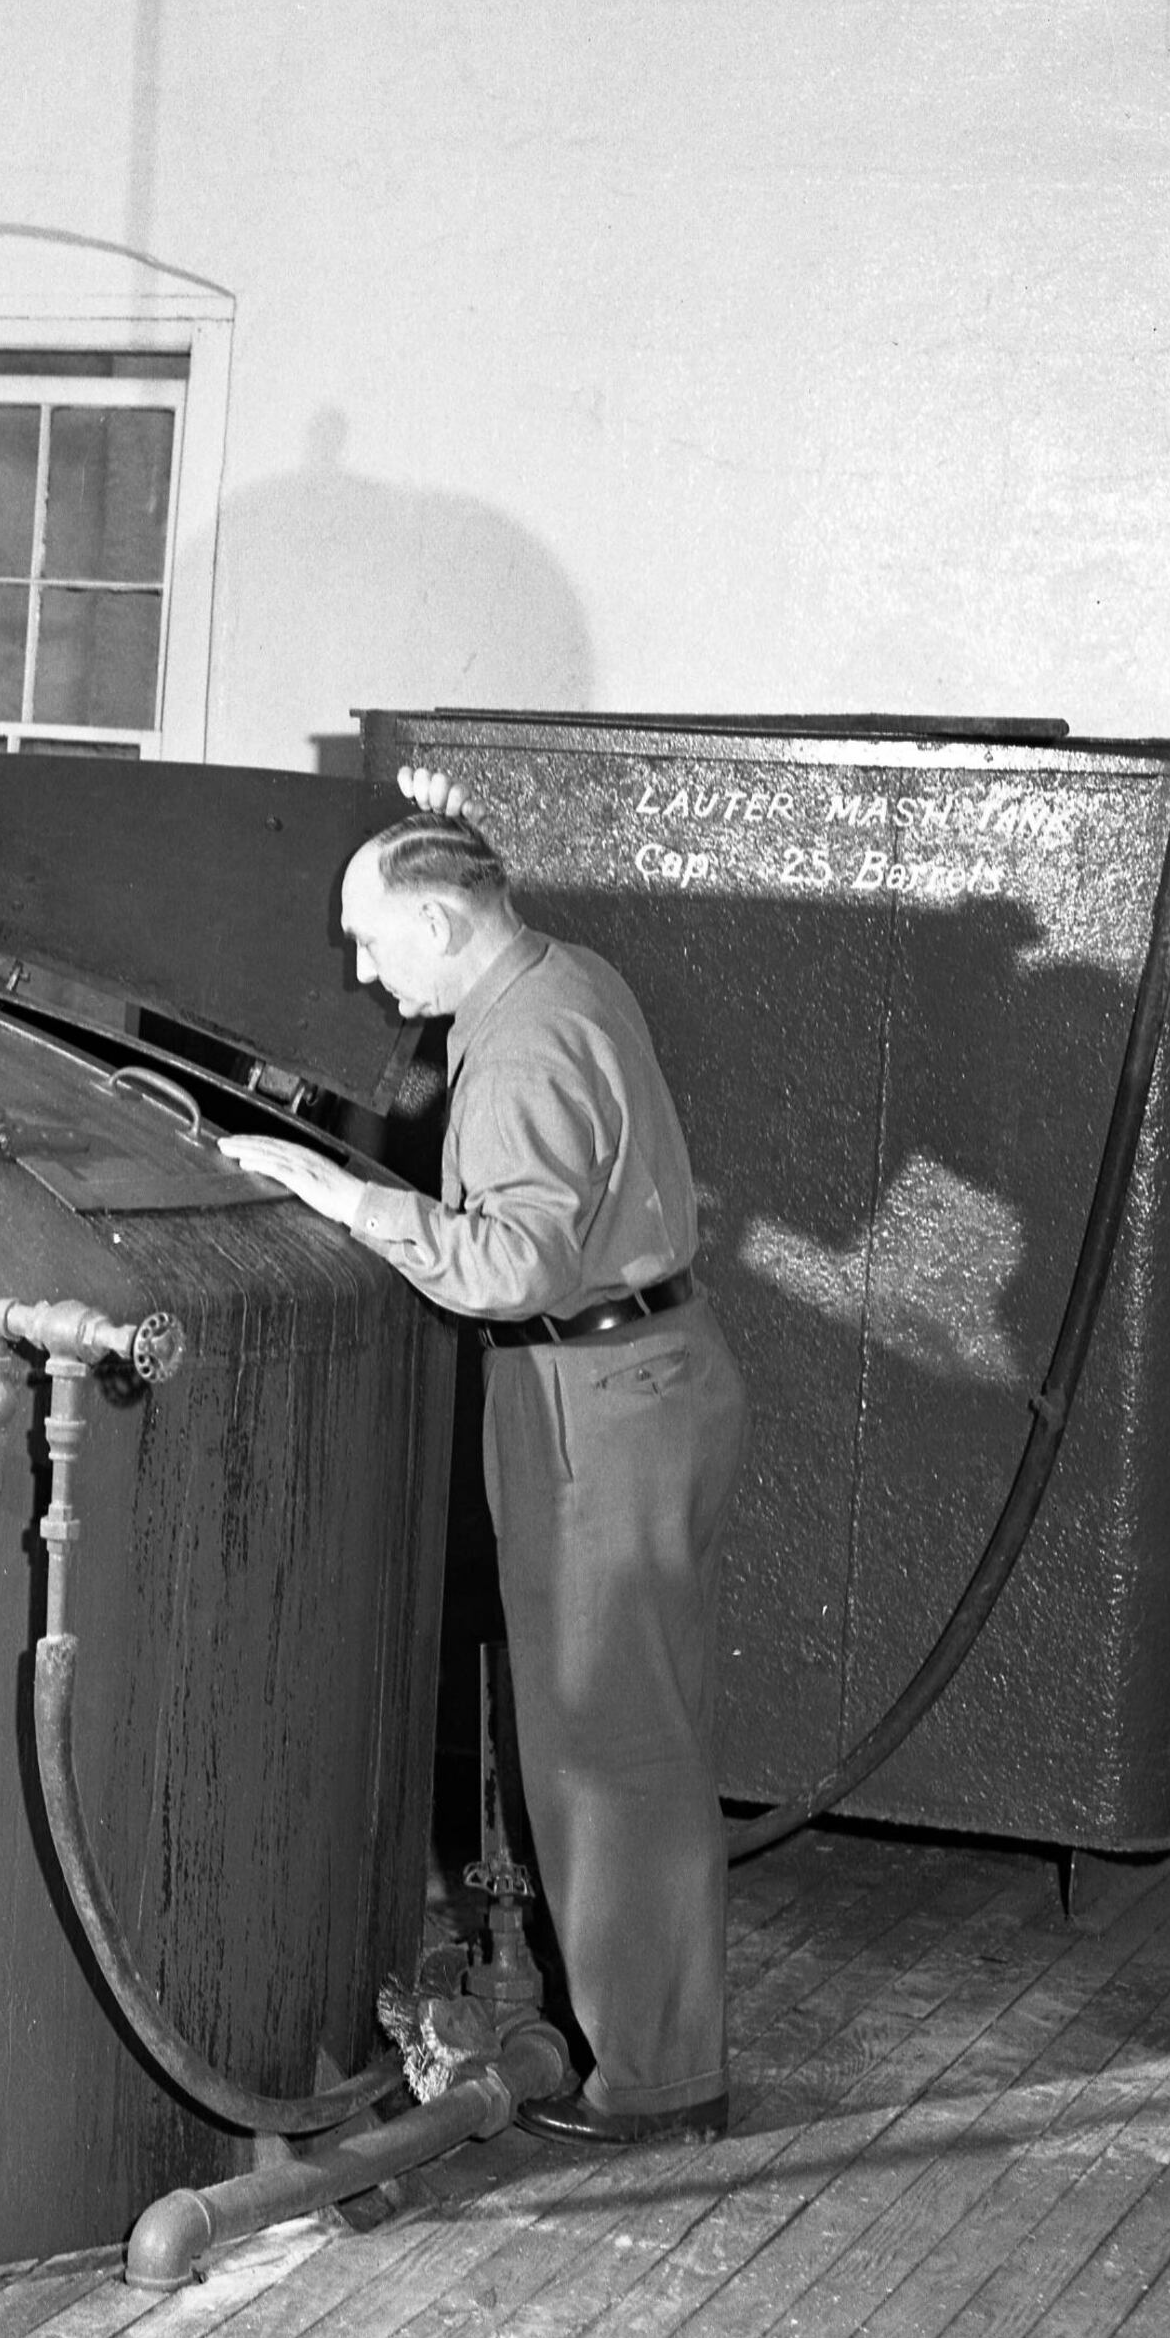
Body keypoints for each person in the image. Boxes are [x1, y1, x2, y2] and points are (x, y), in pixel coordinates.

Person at [217, 770, 746, 2146]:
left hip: (594, 1395)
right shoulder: (559, 978)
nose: (359, 962)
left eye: (372, 934)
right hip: (637, 1375)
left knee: (605, 1752)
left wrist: (339, 1193)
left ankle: (658, 2085)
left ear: (445, 925)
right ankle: (651, 2047)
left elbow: (515, 1262)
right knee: (633, 1734)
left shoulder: (517, 1047)